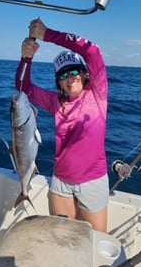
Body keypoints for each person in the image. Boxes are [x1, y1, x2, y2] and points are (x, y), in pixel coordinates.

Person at [15, 18, 109, 232]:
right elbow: (23, 87)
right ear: (58, 83)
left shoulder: (97, 94)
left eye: (74, 71)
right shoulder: (54, 102)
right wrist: (26, 58)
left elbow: (92, 52)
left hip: (92, 182)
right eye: (63, 75)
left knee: (95, 241)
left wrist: (48, 34)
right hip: (61, 183)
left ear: (86, 74)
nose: (70, 78)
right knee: (63, 237)